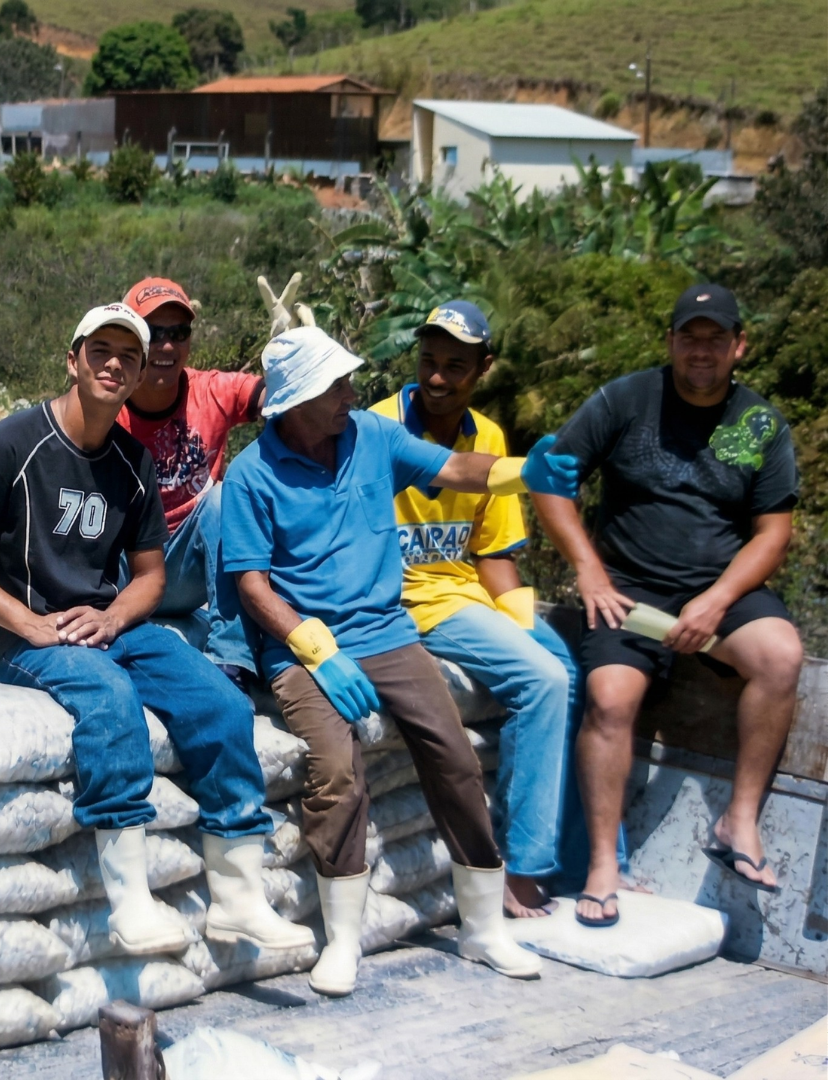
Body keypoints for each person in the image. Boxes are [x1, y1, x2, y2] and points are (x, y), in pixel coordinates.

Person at [0, 303, 313, 957]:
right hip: (24, 632)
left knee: (218, 700)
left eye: (128, 356)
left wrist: (113, 616)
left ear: (139, 374)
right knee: (108, 699)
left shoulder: (131, 462)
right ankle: (130, 902)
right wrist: (25, 622)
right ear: (73, 359)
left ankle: (237, 898)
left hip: (106, 622)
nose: (114, 364)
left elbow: (149, 578)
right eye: (100, 351)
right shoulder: (14, 443)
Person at [222, 326, 579, 994]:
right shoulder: (251, 477)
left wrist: (518, 471)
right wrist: (313, 649)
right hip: (304, 648)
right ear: (295, 400)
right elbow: (250, 584)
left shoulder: (371, 436)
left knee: (453, 755)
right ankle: (343, 941)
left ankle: (480, 930)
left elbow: (451, 469)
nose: (351, 394)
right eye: (335, 385)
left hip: (386, 632)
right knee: (334, 771)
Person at [535, 284, 801, 927]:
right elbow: (550, 476)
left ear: (740, 346)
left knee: (780, 656)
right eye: (690, 337)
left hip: (720, 587)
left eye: (716, 339)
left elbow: (773, 533)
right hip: (627, 590)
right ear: (672, 342)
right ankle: (602, 866)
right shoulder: (626, 400)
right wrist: (589, 570)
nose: (701, 351)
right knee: (610, 699)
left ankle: (738, 821)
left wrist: (716, 601)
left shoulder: (761, 423)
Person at [367, 301, 576, 919]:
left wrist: (521, 622)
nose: (437, 377)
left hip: (464, 592)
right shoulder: (380, 426)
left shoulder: (488, 436)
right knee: (543, 680)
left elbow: (493, 554)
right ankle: (525, 868)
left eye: (455, 366)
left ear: (482, 368)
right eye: (429, 361)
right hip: (411, 598)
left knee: (568, 665)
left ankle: (590, 854)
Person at [116, 277, 262, 681]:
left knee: (223, 497)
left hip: (186, 567)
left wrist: (289, 357)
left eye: (178, 333)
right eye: (153, 333)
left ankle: (231, 658)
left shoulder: (212, 391)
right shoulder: (107, 402)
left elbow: (277, 400)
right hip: (124, 570)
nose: (166, 346)